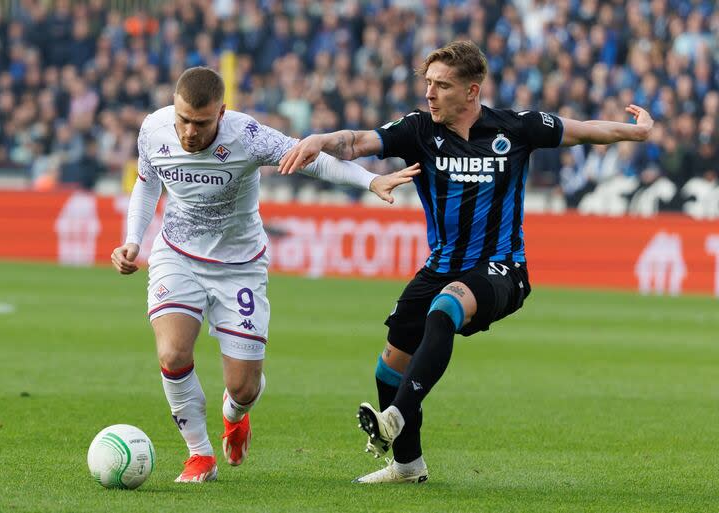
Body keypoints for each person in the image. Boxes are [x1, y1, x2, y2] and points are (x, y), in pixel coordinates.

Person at [279, 40, 653, 484]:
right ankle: (406, 464)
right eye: (428, 84)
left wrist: (636, 132)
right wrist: (320, 139)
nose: (430, 94)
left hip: (501, 269)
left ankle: (396, 414)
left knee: (446, 307)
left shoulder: (517, 128)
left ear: (472, 91)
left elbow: (585, 130)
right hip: (440, 265)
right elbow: (359, 141)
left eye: (441, 86)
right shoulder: (419, 130)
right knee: (390, 365)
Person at [111, 67, 418, 483]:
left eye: (200, 123)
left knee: (244, 389)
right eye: (183, 119)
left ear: (221, 112)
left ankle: (234, 417)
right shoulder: (153, 128)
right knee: (172, 354)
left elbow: (313, 161)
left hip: (239, 267)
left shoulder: (247, 136)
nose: (188, 132)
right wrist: (133, 239)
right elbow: (148, 183)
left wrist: (370, 180)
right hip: (177, 255)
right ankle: (199, 455)